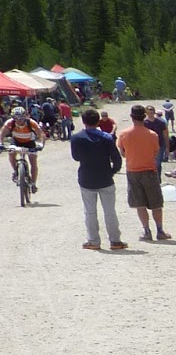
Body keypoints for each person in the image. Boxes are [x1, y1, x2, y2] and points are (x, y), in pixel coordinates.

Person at [70, 106, 124, 251]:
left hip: (86, 178)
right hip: (105, 178)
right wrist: (112, 171)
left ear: (83, 121)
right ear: (98, 121)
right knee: (110, 211)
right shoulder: (106, 138)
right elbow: (117, 160)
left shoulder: (76, 138)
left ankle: (93, 241)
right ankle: (115, 241)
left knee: (90, 211)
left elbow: (75, 157)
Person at [117, 105, 170, 242]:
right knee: (156, 203)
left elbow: (123, 153)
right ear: (144, 116)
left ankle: (146, 231)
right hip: (149, 170)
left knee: (139, 203)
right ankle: (160, 230)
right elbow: (156, 152)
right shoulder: (152, 135)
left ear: (132, 117)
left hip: (133, 171)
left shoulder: (124, 134)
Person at [2, 105, 45, 192]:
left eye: (21, 118)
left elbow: (41, 134)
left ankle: (33, 183)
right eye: (16, 118)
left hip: (29, 142)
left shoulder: (31, 123)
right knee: (11, 153)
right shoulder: (10, 123)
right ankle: (15, 171)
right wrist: (0, 143)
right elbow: (2, 133)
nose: (19, 120)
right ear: (13, 118)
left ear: (25, 117)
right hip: (16, 141)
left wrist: (41, 144)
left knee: (33, 161)